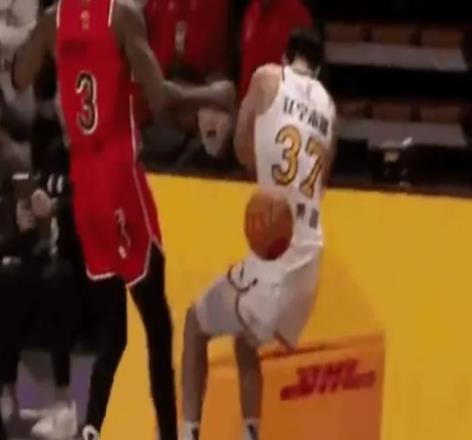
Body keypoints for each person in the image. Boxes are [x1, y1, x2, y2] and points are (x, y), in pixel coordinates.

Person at [12, 2, 236, 440]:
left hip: (85, 187)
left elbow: (20, 76)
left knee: (112, 328)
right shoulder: (121, 16)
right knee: (157, 322)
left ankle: (91, 428)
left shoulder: (53, 19)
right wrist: (214, 95)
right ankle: (168, 435)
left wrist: (40, 41)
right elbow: (161, 98)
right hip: (119, 178)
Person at [181, 27, 337, 440]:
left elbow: (238, 148)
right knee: (246, 341)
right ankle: (251, 434)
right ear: (318, 69)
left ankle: (187, 434)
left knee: (194, 323)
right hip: (310, 262)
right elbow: (322, 180)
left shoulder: (267, 78)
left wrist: (262, 170)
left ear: (286, 57)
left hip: (275, 258)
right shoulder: (329, 106)